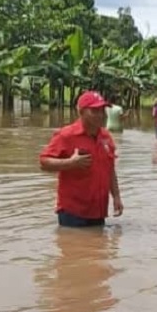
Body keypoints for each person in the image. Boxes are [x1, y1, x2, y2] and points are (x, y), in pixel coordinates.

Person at [39, 91, 124, 227]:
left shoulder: (106, 137)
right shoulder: (66, 135)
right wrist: (70, 163)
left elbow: (110, 169)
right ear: (81, 112)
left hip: (98, 210)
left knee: (98, 247)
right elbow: (44, 162)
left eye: (102, 110)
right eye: (94, 111)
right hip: (73, 212)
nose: (101, 115)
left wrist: (116, 197)